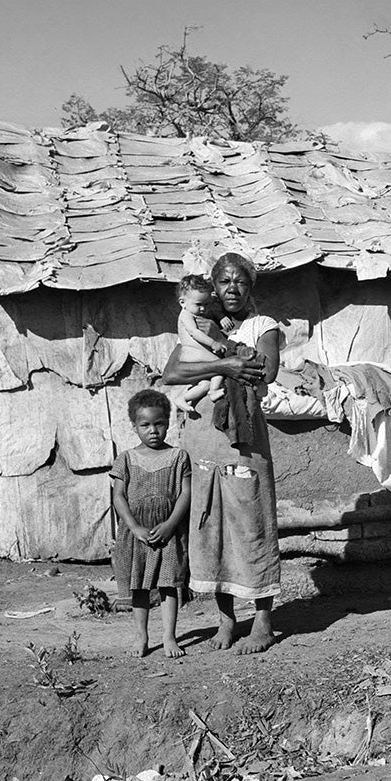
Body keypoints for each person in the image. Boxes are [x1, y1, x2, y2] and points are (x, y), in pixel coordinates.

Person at [161, 252, 282, 655]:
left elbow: (266, 370)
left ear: (250, 286)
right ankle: (227, 620)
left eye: (240, 281)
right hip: (203, 437)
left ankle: (263, 622)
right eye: (224, 281)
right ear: (213, 287)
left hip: (244, 437)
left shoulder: (263, 326)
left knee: (252, 522)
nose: (232, 288)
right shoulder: (200, 323)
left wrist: (228, 361)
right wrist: (228, 365)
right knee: (210, 525)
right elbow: (172, 373)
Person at [110, 389, 192, 658]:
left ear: (168, 423)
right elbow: (119, 496)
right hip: (137, 533)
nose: (153, 431)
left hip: (168, 531)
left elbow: (185, 493)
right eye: (145, 425)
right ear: (134, 426)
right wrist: (135, 527)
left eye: (159, 423)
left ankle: (169, 637)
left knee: (169, 584)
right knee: (139, 585)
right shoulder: (126, 459)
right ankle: (141, 637)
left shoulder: (179, 457)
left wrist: (170, 524)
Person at [173, 274, 232, 414]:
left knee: (204, 384)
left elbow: (213, 311)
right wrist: (213, 343)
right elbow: (194, 332)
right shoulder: (186, 315)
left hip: (197, 355)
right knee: (221, 367)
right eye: (198, 305)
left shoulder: (196, 313)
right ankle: (214, 391)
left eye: (206, 304)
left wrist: (221, 317)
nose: (203, 309)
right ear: (182, 302)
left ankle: (183, 398)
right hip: (193, 354)